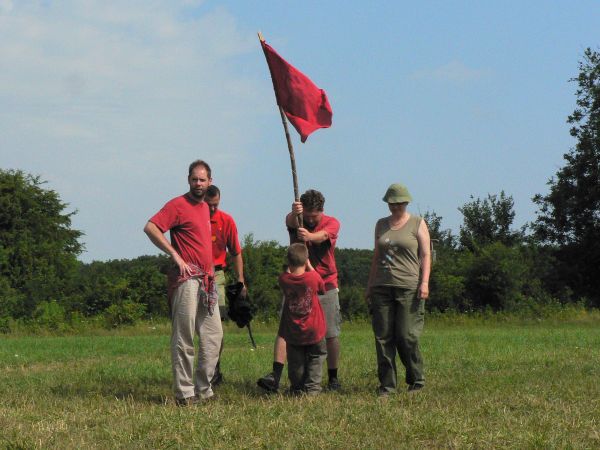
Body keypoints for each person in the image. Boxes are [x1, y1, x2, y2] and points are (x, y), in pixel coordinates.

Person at [143, 160, 221, 406]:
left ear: (210, 181)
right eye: (194, 179)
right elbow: (151, 227)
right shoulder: (178, 205)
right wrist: (175, 255)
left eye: (202, 179)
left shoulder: (205, 207)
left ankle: (203, 388)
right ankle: (185, 394)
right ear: (188, 179)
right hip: (186, 280)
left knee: (213, 336)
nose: (198, 184)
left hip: (208, 281)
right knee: (184, 337)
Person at [257, 189, 342, 393]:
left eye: (315, 216)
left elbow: (323, 236)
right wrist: (295, 213)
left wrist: (309, 235)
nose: (311, 220)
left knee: (330, 332)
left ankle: (333, 378)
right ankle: (275, 376)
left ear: (322, 211)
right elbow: (289, 220)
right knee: (286, 330)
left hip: (325, 283)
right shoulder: (297, 219)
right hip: (296, 284)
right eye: (308, 216)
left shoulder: (332, 222)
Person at [365, 183, 431, 397]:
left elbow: (425, 255)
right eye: (392, 204)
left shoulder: (417, 223)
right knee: (383, 337)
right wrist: (369, 285)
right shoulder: (381, 224)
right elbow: (376, 256)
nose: (395, 207)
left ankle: (416, 380)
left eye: (399, 203)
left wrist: (424, 282)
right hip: (381, 287)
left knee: (406, 335)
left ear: (406, 202)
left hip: (408, 287)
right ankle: (387, 386)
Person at [205, 184, 245, 386]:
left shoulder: (226, 220)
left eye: (215, 205)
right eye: (209, 205)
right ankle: (204, 371)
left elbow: (236, 252)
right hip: (195, 272)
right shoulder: (194, 219)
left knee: (216, 325)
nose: (212, 209)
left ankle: (215, 370)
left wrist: (241, 280)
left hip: (217, 273)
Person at [278, 243, 328, 395]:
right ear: (306, 260)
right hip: (314, 329)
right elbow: (323, 288)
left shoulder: (284, 280)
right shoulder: (313, 277)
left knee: (295, 361)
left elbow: (286, 273)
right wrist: (310, 266)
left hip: (294, 330)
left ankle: (297, 388)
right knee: (316, 358)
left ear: (288, 261)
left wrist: (289, 265)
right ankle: (313, 389)